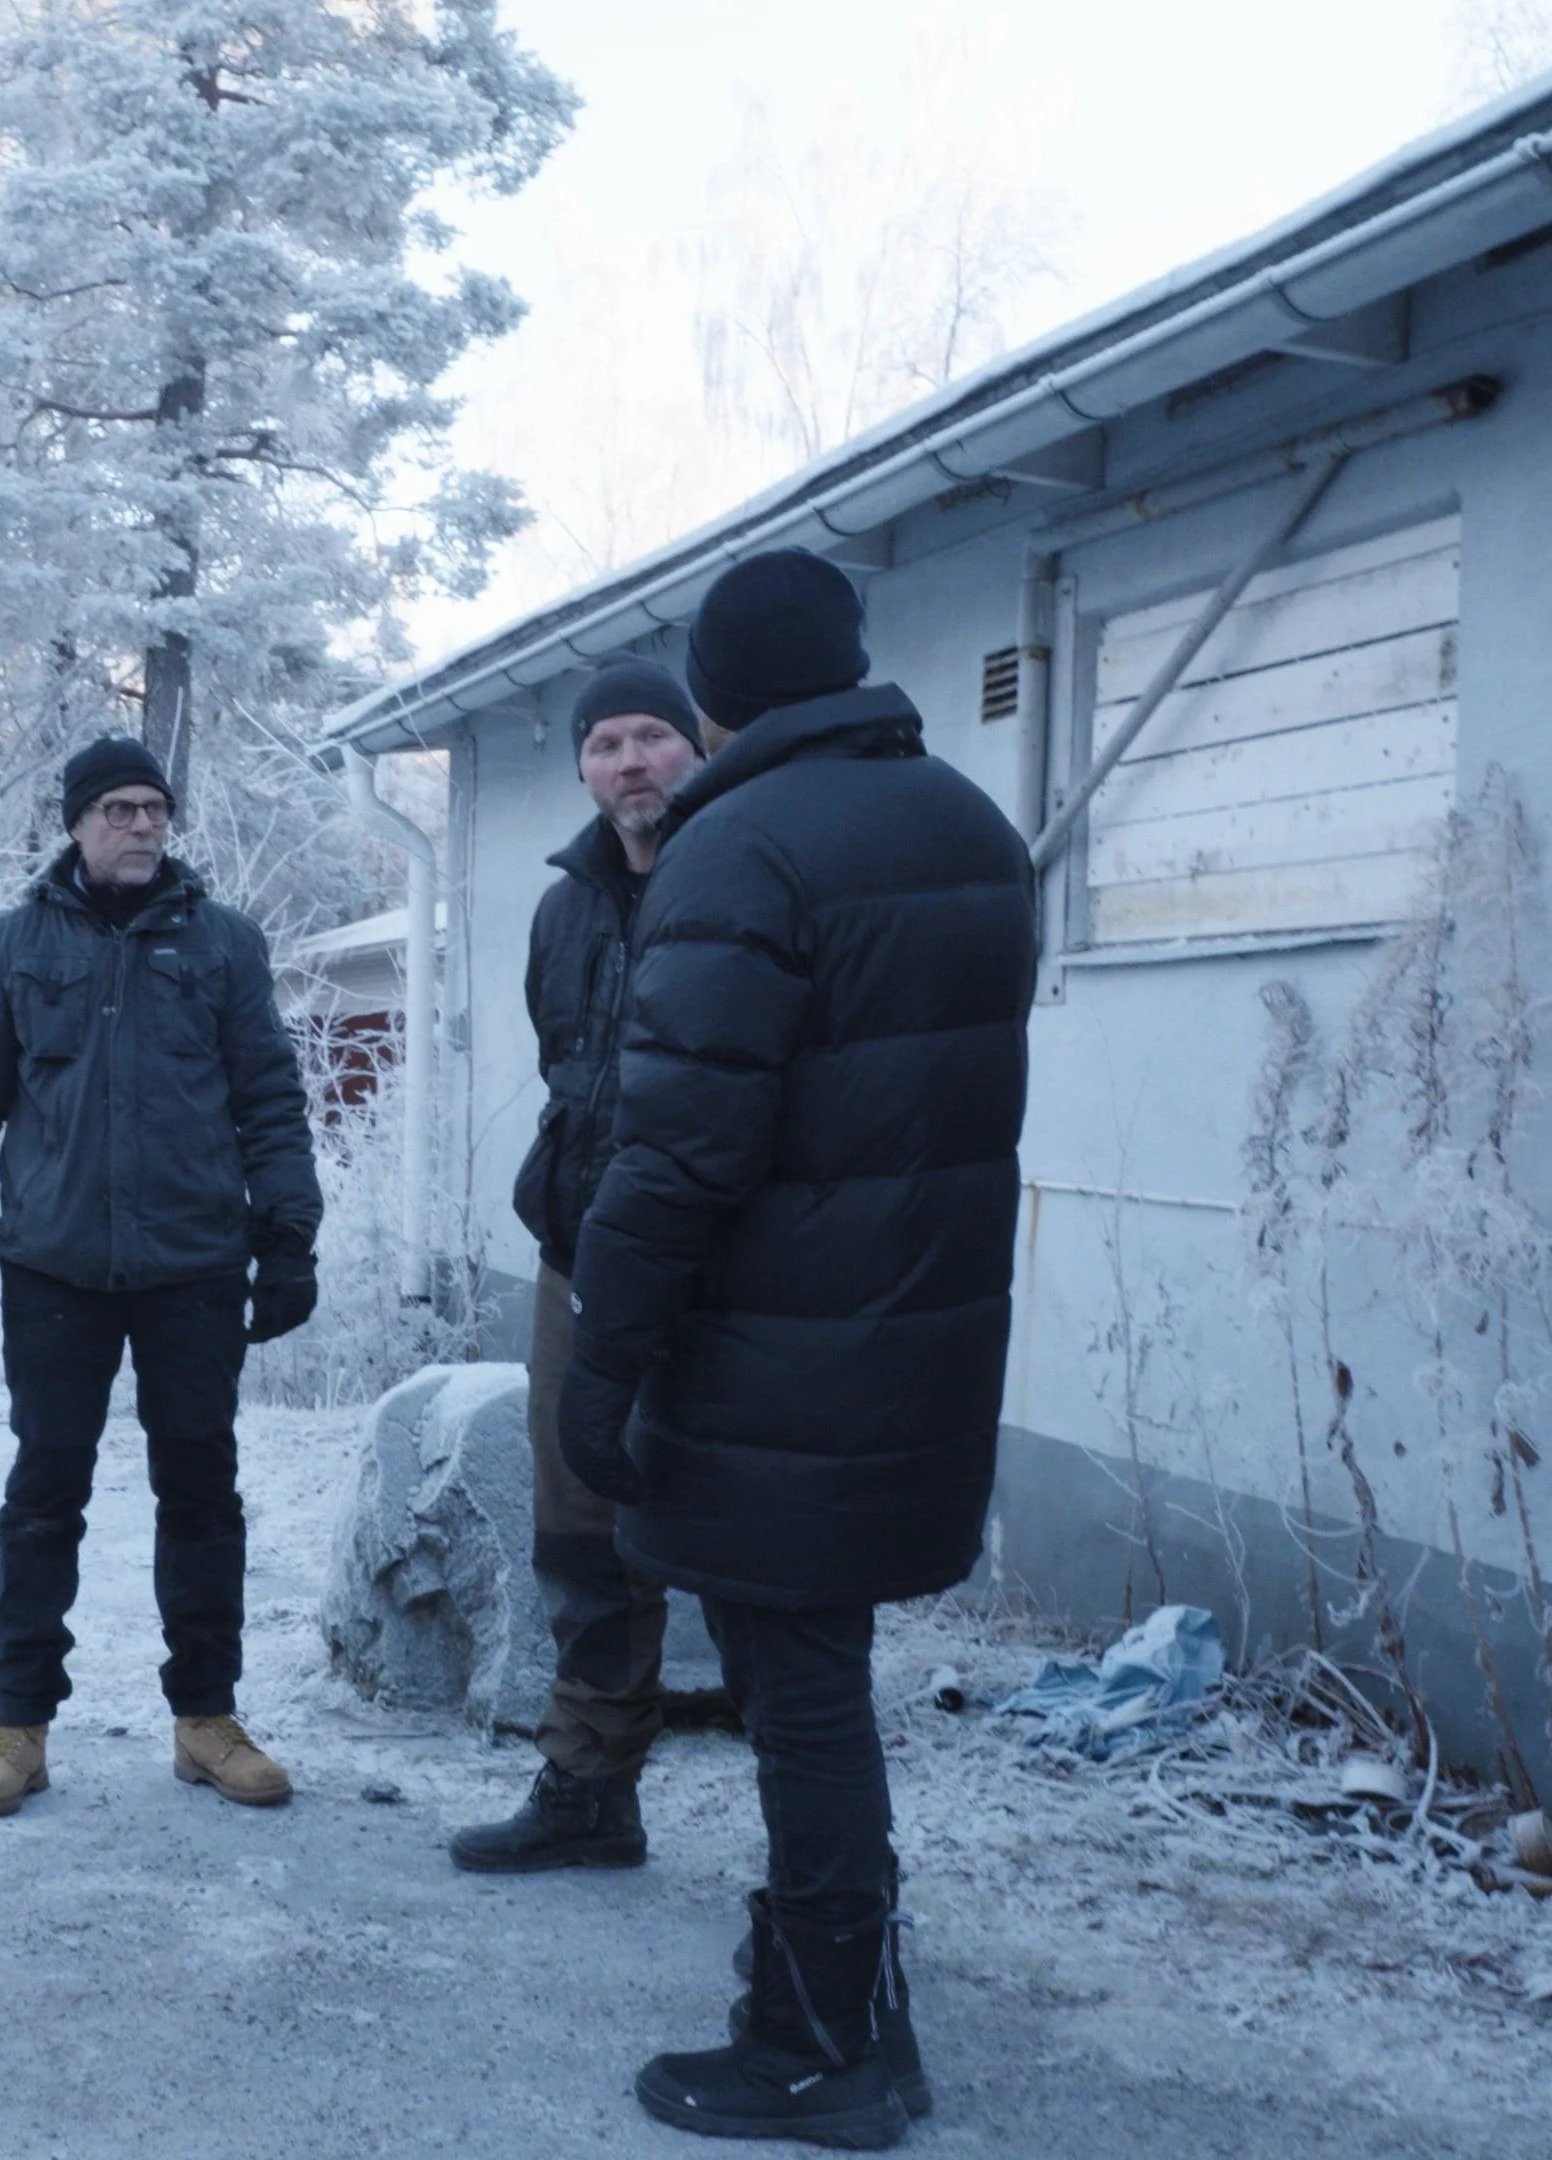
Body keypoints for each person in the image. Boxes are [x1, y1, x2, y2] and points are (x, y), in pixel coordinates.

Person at [557, 549, 1034, 2148]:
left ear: (716, 697)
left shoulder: (739, 843)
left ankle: (833, 2044)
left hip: (774, 1351)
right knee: (819, 1676)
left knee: (802, 1691)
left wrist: (607, 1359)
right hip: (920, 1335)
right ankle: (835, 2000)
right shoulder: (968, 823)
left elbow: (679, 1146)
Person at [0, 737, 321, 1815]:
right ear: (77, 823)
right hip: (53, 1265)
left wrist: (288, 1238)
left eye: (155, 810)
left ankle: (206, 1720)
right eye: (119, 811)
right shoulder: (9, 948)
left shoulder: (225, 946)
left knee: (200, 1492)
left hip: (192, 1261)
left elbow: (270, 1100)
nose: (141, 827)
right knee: (43, 1495)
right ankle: (17, 1731)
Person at [448, 658, 705, 1875]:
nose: (631, 762)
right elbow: (573, 1077)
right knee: (580, 1527)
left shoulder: (739, 874)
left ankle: (817, 1839)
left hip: (724, 1274)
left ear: (695, 750)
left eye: (654, 735)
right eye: (606, 743)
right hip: (581, 1255)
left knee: (746, 1532)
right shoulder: (566, 904)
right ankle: (590, 1788)